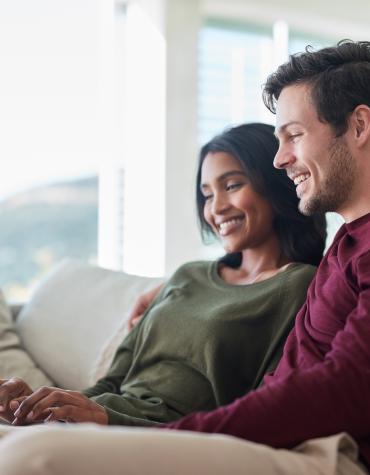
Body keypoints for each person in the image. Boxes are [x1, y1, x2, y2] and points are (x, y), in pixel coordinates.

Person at [0, 39, 368, 475]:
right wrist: (184, 290)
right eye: (207, 194)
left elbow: (341, 386)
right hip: (268, 439)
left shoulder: (306, 277)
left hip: (318, 450)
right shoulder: (344, 248)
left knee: (30, 457)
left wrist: (162, 433)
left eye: (294, 135)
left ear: (360, 125)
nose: (280, 159)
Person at [0, 123, 325, 429]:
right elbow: (110, 385)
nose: (216, 208)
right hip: (102, 423)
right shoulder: (188, 276)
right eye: (208, 195)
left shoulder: (299, 286)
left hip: (163, 437)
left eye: (232, 185)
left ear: (276, 185)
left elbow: (253, 411)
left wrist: (109, 420)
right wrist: (35, 405)